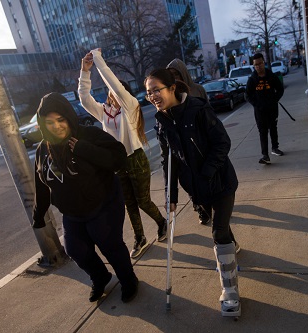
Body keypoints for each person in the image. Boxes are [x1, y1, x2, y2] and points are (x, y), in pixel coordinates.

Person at [144, 68, 241, 317]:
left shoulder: (198, 109)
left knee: (218, 230)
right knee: (222, 229)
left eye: (156, 89)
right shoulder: (161, 120)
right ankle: (229, 249)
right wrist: (171, 196)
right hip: (196, 189)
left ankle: (230, 291)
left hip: (219, 182)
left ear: (172, 87)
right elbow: (169, 161)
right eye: (148, 92)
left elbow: (223, 142)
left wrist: (207, 172)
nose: (153, 95)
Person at [32, 92, 139, 303]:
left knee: (109, 243)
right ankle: (100, 277)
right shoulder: (42, 150)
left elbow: (118, 159)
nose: (56, 126)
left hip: (104, 202)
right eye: (50, 122)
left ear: (69, 118)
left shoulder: (88, 135)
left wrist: (84, 149)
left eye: (61, 120)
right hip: (73, 212)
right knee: (75, 249)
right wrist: (38, 215)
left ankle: (129, 280)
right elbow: (41, 185)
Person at [79, 49, 167, 259]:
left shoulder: (131, 106)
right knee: (129, 204)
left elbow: (113, 83)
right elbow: (84, 99)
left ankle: (162, 222)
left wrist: (98, 59)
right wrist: (84, 71)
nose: (112, 94)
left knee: (143, 201)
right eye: (109, 92)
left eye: (115, 91)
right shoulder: (104, 112)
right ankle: (140, 237)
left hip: (135, 159)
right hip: (117, 163)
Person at [166, 58, 212, 225]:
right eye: (171, 75)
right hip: (183, 149)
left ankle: (212, 203)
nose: (175, 78)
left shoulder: (197, 90)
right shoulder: (170, 95)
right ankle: (199, 208)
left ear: (183, 73)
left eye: (177, 74)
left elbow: (209, 112)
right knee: (189, 181)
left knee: (207, 179)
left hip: (202, 143)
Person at [246, 53, 285, 165]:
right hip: (260, 111)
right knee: (262, 131)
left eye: (260, 63)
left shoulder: (271, 76)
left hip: (272, 109)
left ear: (264, 63)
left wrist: (274, 100)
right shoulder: (252, 80)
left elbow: (280, 89)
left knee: (273, 128)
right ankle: (265, 155)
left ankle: (275, 148)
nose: (258, 66)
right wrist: (257, 105)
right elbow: (248, 95)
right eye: (255, 65)